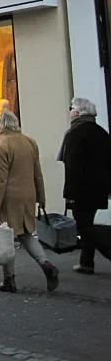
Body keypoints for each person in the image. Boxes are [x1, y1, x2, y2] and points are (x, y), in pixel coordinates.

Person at [0, 111, 59, 293]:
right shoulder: (30, 142)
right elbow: (38, 173)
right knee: (26, 233)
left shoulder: (1, 145)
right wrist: (41, 198)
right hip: (28, 195)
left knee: (6, 238)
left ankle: (9, 280)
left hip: (9, 198)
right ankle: (46, 264)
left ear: (0, 126)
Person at [58, 97, 111, 274]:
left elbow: (72, 165)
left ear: (78, 113)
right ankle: (86, 262)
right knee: (88, 222)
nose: (70, 112)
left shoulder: (75, 133)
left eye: (71, 108)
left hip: (82, 189)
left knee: (85, 226)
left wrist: (69, 193)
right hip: (99, 188)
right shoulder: (101, 133)